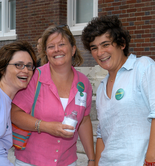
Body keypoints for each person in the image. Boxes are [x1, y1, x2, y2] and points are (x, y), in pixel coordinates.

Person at [81, 15, 155, 166]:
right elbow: (103, 134)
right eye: (94, 48)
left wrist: (151, 160)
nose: (99, 52)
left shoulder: (143, 67)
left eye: (105, 44)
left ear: (121, 44)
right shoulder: (102, 87)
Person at [11, 25, 95, 166]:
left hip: (67, 161)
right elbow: (14, 113)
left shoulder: (84, 82)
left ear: (73, 49)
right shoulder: (34, 77)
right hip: (31, 162)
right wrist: (45, 126)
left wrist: (91, 158)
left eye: (61, 44)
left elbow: (84, 120)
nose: (57, 49)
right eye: (51, 46)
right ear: (46, 52)